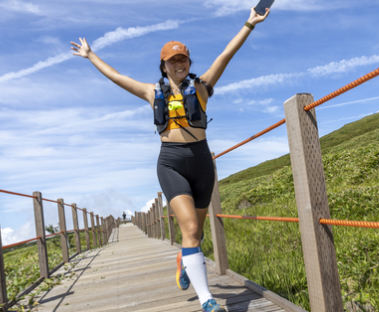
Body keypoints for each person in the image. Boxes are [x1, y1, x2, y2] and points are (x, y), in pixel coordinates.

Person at [71, 7, 270, 312]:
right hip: (171, 163)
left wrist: (249, 24)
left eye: (183, 59)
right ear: (163, 66)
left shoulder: (201, 87)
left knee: (197, 233)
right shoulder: (153, 92)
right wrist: (91, 55)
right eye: (172, 60)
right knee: (190, 228)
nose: (179, 64)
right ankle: (207, 300)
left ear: (189, 63)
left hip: (202, 162)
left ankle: (184, 259)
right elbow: (118, 77)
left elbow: (226, 55)